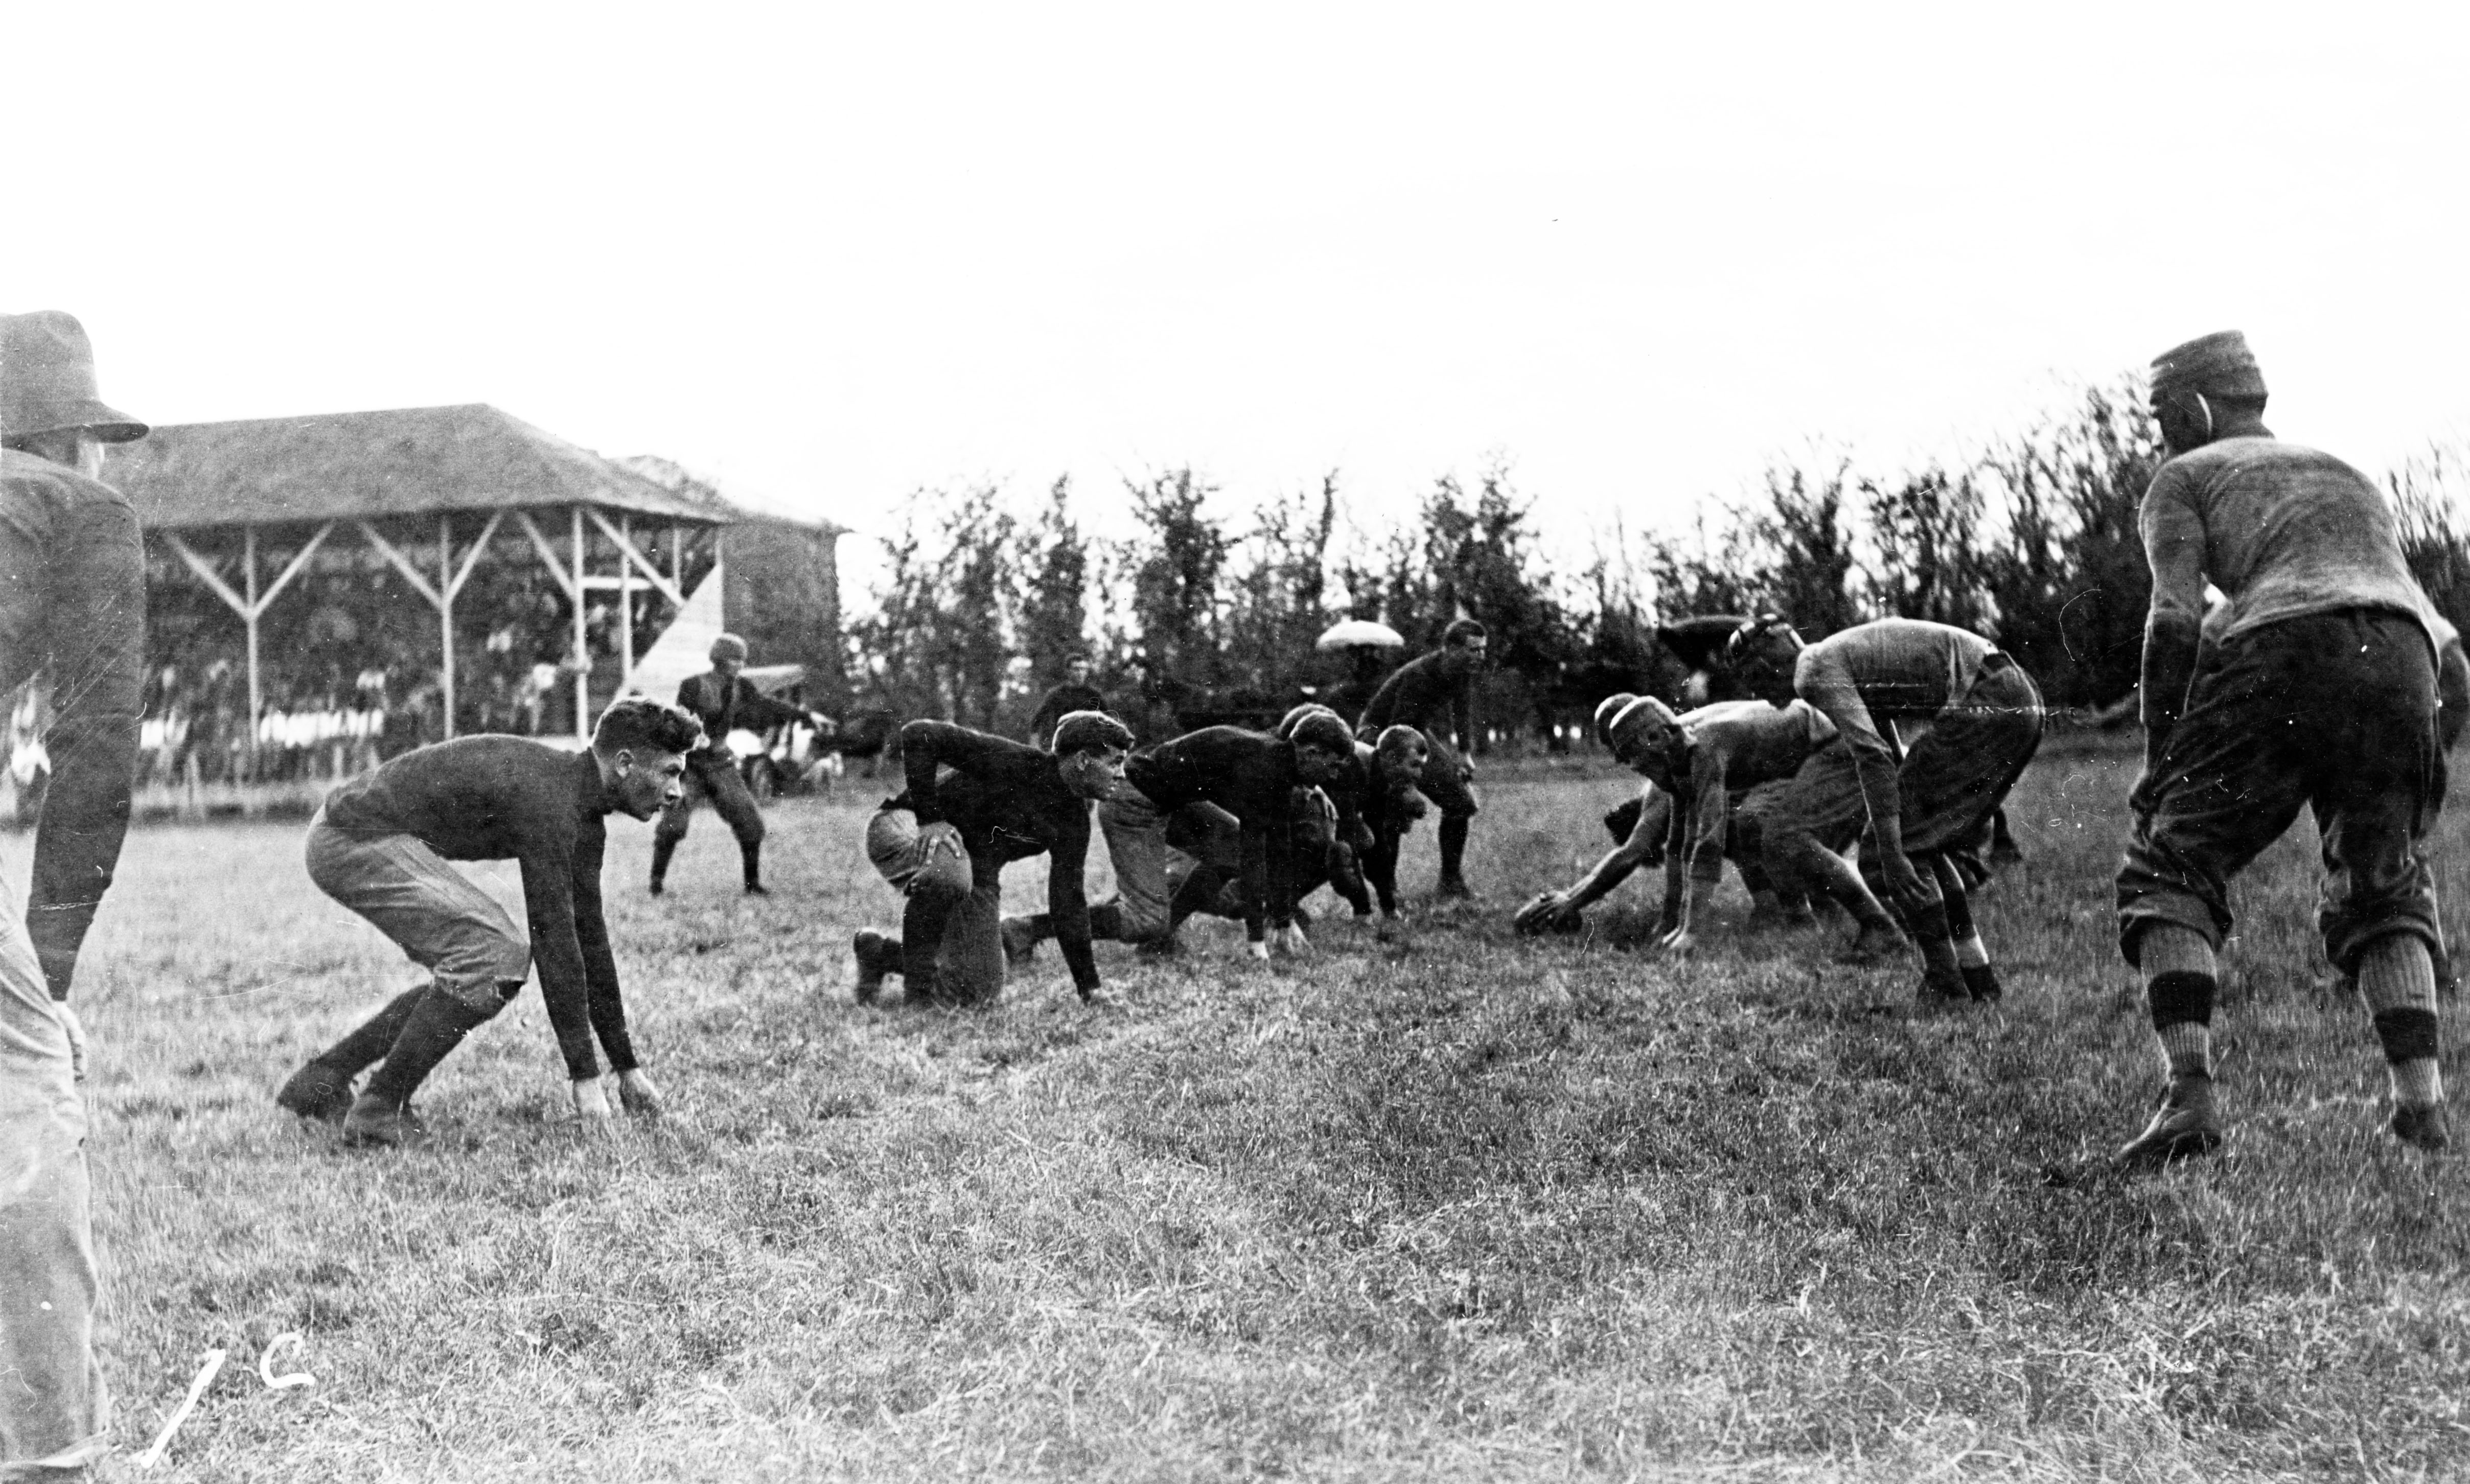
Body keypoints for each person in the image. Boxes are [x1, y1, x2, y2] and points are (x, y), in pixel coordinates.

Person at [2112, 331, 2451, 1165]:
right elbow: (2454, 658)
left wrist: (2160, 758)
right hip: (2404, 654)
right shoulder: (2346, 476)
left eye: (2162, 415)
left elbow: (2173, 620)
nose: (2160, 434)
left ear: (2192, 409)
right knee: (2383, 873)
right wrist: (2425, 781)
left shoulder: (2182, 477)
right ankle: (2421, 1107)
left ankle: (2186, 1095)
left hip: (2281, 646)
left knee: (2168, 861)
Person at [275, 697, 702, 1147]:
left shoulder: (581, 810)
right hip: (349, 837)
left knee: (476, 964)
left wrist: (627, 1068)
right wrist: (585, 1078)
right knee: (493, 956)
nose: (677, 791)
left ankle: (320, 1081)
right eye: (670, 772)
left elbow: (588, 941)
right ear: (624, 763)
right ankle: (380, 1109)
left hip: (351, 831)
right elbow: (553, 940)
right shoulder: (553, 802)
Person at [0, 311, 149, 1478]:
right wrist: (44, 979)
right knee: (27, 1109)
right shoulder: (81, 508)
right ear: (72, 433)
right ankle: (55, 1450)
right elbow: (97, 749)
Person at [1728, 614, 2045, 1004]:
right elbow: (1888, 752)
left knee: (1886, 854)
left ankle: (1947, 985)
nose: (1761, 697)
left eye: (1752, 681)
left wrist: (1892, 850)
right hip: (2014, 695)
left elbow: (1872, 755)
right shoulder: (1833, 657)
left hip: (1987, 701)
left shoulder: (1810, 672)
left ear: (1761, 668)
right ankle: (1975, 979)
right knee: (1920, 847)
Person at [1518, 693, 1904, 949]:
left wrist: (1689, 931)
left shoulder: (1697, 749)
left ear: (1651, 737)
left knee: (1777, 831)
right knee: (1752, 822)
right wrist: (1669, 923)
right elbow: (1676, 847)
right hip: (1811, 751)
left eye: (1630, 753)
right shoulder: (1679, 744)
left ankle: (1874, 924)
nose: (1632, 765)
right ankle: (1796, 910)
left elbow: (1688, 844)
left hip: (1835, 746)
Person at [852, 710, 1134, 1007]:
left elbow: (1068, 903)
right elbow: (918, 732)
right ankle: (918, 996)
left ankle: (876, 953)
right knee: (948, 873)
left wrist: (1089, 988)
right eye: (1115, 762)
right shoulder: (1018, 761)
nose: (1122, 773)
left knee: (978, 992)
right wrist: (930, 818)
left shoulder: (1074, 822)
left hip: (972, 868)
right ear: (1082, 760)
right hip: (906, 824)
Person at [1069, 713, 1360, 960]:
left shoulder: (1279, 765)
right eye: (1333, 765)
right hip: (1131, 801)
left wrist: (1284, 921)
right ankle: (1035, 928)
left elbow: (1278, 848)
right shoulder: (1266, 769)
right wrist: (1257, 942)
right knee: (1147, 920)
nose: (1334, 776)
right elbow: (1254, 857)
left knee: (1229, 850)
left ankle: (1160, 937)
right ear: (1310, 754)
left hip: (1166, 799)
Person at [651, 633, 822, 896]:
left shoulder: (742, 687)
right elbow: (678, 719)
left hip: (720, 764)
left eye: (742, 660)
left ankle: (752, 884)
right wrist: (693, 737)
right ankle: (656, 883)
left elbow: (766, 705)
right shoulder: (693, 686)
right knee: (674, 825)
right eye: (735, 660)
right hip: (690, 766)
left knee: (751, 823)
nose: (740, 665)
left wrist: (803, 714)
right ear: (719, 660)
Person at [1356, 618, 1489, 897]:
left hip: (1413, 731)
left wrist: (1464, 754)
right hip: (1380, 735)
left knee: (1460, 803)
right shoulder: (1420, 676)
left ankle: (1451, 883)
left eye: (1482, 650)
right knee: (1392, 807)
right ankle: (1387, 890)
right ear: (1450, 649)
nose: (1480, 657)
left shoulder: (1463, 671)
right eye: (1473, 650)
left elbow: (1462, 711)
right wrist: (1405, 784)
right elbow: (1395, 730)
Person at [1026, 652, 1109, 749]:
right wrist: (1035, 746)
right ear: (1068, 671)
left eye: (1084, 669)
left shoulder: (1094, 694)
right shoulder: (1057, 694)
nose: (1080, 673)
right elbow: (1037, 719)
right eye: (1076, 669)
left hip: (1089, 747)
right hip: (1063, 747)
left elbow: (1109, 720)